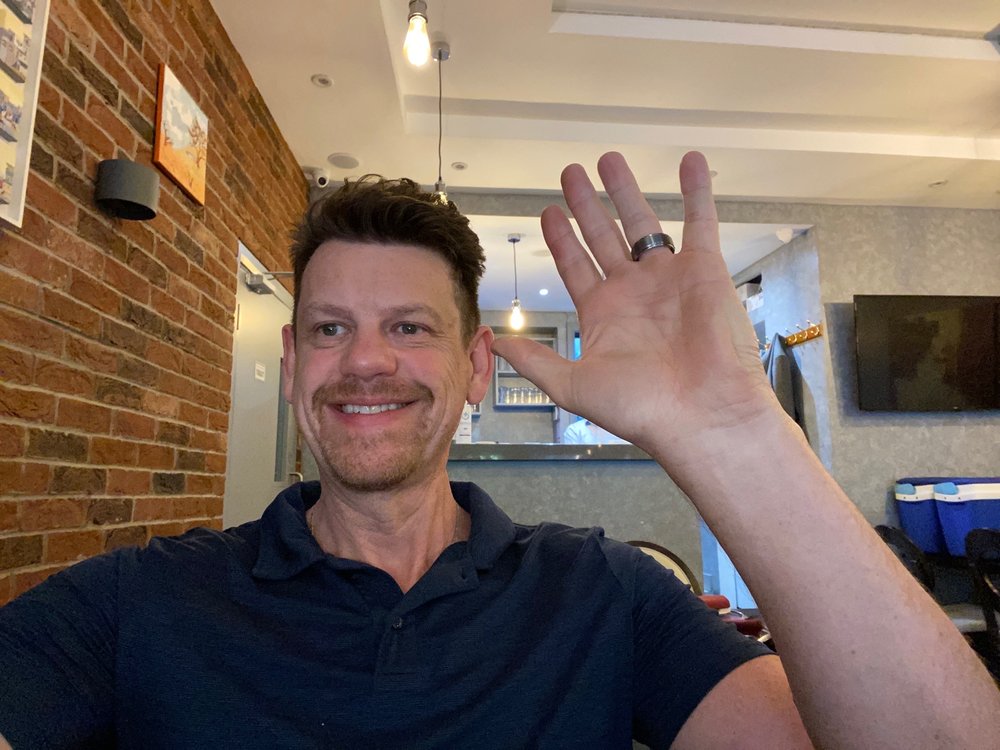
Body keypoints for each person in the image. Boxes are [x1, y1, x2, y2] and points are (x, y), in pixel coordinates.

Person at [1, 152, 998, 749]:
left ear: (477, 366)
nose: (366, 362)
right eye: (331, 329)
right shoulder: (139, 601)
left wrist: (738, 432)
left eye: (410, 327)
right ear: (293, 362)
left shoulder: (605, 595)